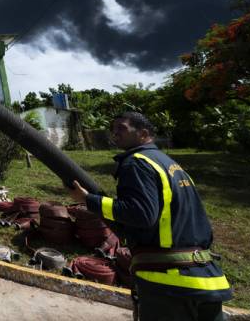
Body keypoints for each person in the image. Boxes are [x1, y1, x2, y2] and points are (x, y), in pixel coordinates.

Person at [69, 112, 232, 321]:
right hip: (205, 278)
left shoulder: (136, 162)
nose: (115, 133)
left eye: (122, 128)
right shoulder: (170, 164)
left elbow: (141, 213)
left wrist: (89, 200)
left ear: (143, 133)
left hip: (169, 283)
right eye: (113, 128)